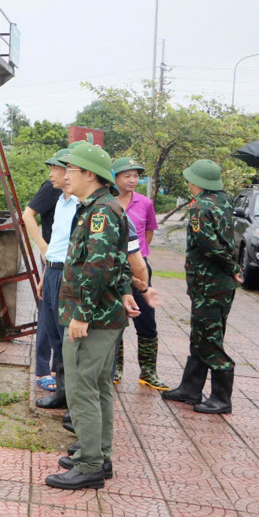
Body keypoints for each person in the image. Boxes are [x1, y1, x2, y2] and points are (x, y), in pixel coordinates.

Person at [46, 142, 138, 491]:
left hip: (92, 316)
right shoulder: (100, 207)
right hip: (105, 313)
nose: (65, 175)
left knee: (82, 386)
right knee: (98, 386)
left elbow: (98, 266)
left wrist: (81, 314)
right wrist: (126, 290)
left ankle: (89, 466)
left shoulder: (100, 211)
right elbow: (118, 259)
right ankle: (98, 454)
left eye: (71, 169)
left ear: (89, 174)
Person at [162, 159, 241, 414]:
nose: (188, 182)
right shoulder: (225, 199)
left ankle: (221, 398)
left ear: (197, 182)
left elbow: (208, 245)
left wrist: (232, 267)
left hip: (209, 282)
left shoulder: (200, 207)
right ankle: (190, 387)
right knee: (201, 333)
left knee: (208, 338)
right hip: (219, 284)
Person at [111, 157, 166, 390]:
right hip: (113, 269)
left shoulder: (145, 203)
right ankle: (115, 368)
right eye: (127, 175)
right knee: (115, 320)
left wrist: (139, 259)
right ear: (114, 177)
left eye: (136, 176)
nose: (133, 180)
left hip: (139, 267)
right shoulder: (107, 202)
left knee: (146, 320)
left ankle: (148, 371)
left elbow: (148, 234)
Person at [32, 149, 71, 393]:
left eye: (54, 168)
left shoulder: (87, 204)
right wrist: (44, 255)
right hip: (54, 266)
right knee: (50, 321)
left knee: (62, 325)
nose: (50, 174)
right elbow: (29, 215)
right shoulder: (56, 195)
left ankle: (63, 380)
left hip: (70, 269)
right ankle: (45, 371)